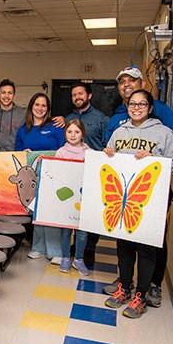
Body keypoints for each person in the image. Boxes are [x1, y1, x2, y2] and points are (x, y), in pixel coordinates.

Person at [102, 67, 173, 305]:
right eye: (133, 105)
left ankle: (144, 292)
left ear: (150, 107)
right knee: (123, 245)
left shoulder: (164, 130)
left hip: (152, 198)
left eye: (142, 105)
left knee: (148, 246)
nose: (136, 108)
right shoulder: (118, 128)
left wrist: (156, 160)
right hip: (123, 198)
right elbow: (108, 160)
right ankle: (125, 286)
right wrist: (108, 154)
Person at [15, 92, 65, 263]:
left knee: (51, 214)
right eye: (37, 104)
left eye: (44, 105)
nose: (40, 108)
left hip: (53, 175)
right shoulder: (23, 130)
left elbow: (63, 150)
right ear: (31, 107)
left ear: (48, 109)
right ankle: (37, 247)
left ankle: (54, 251)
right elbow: (18, 153)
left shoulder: (56, 127)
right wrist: (24, 153)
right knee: (36, 213)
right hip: (32, 179)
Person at [65, 82, 109, 267]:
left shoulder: (101, 119)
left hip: (93, 174)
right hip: (71, 175)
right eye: (74, 94)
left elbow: (108, 145)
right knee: (72, 211)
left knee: (90, 214)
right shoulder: (67, 118)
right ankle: (75, 248)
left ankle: (89, 249)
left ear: (89, 96)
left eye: (80, 94)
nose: (77, 97)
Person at [54, 119, 91, 276]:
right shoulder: (61, 152)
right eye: (69, 132)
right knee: (65, 231)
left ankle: (79, 259)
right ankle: (65, 257)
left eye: (77, 131)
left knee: (82, 232)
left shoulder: (89, 152)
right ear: (65, 134)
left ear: (82, 133)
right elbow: (56, 173)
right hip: (66, 198)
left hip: (84, 198)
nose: (73, 135)